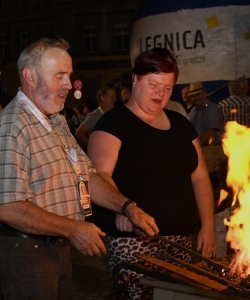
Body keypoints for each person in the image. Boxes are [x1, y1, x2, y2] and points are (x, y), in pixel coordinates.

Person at [0, 38, 158, 300]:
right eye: (59, 75)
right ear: (30, 76)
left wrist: (128, 207)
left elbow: (87, 176)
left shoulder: (57, 121)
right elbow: (7, 206)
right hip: (26, 253)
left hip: (57, 247)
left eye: (69, 75)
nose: (68, 85)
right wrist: (72, 229)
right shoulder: (11, 127)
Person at [87, 47, 216, 300]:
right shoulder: (112, 124)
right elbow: (98, 176)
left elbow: (200, 176)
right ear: (135, 79)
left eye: (168, 87)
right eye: (154, 84)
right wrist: (121, 208)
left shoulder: (181, 124)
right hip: (134, 243)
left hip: (180, 239)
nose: (161, 93)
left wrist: (208, 225)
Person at [188, 81, 225, 174]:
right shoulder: (193, 111)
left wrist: (194, 148)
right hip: (200, 150)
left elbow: (210, 134)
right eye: (193, 95)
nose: (196, 97)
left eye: (199, 94)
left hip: (212, 150)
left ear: (205, 94)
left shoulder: (213, 109)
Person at [75, 85, 116, 152]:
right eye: (111, 97)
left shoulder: (111, 114)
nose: (115, 99)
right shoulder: (95, 115)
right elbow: (79, 133)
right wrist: (92, 147)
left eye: (115, 97)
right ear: (103, 98)